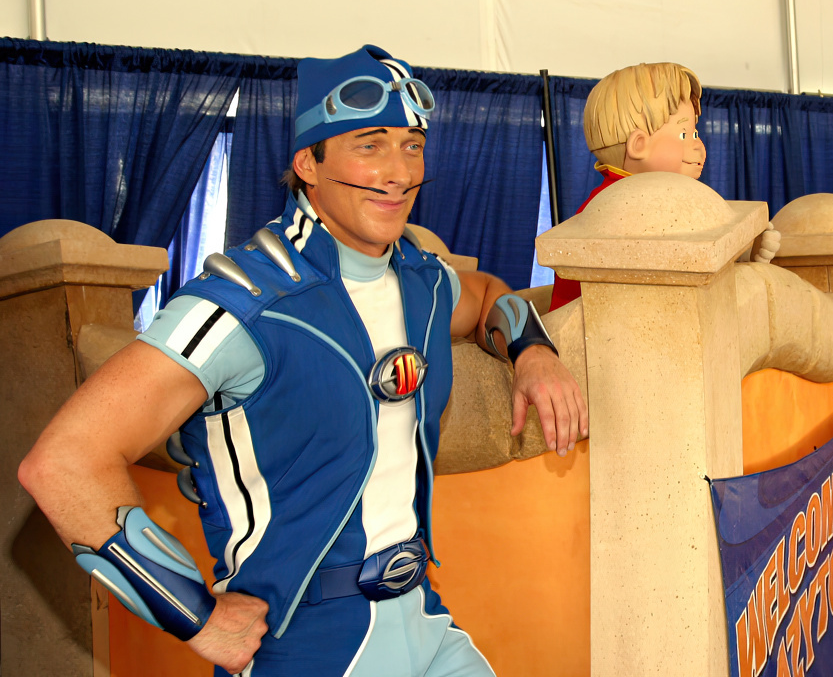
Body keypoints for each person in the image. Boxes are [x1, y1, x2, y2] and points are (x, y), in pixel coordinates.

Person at [19, 44, 586, 677]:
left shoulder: (424, 282)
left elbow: (484, 298)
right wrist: (195, 617)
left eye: (413, 144)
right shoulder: (241, 302)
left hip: (424, 619)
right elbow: (63, 462)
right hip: (301, 644)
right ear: (308, 163)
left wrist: (534, 350)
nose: (399, 171)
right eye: (369, 144)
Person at [548, 61, 778, 311]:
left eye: (695, 133)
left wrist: (738, 256)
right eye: (683, 134)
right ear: (638, 145)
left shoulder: (669, 202)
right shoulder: (614, 211)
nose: (698, 145)